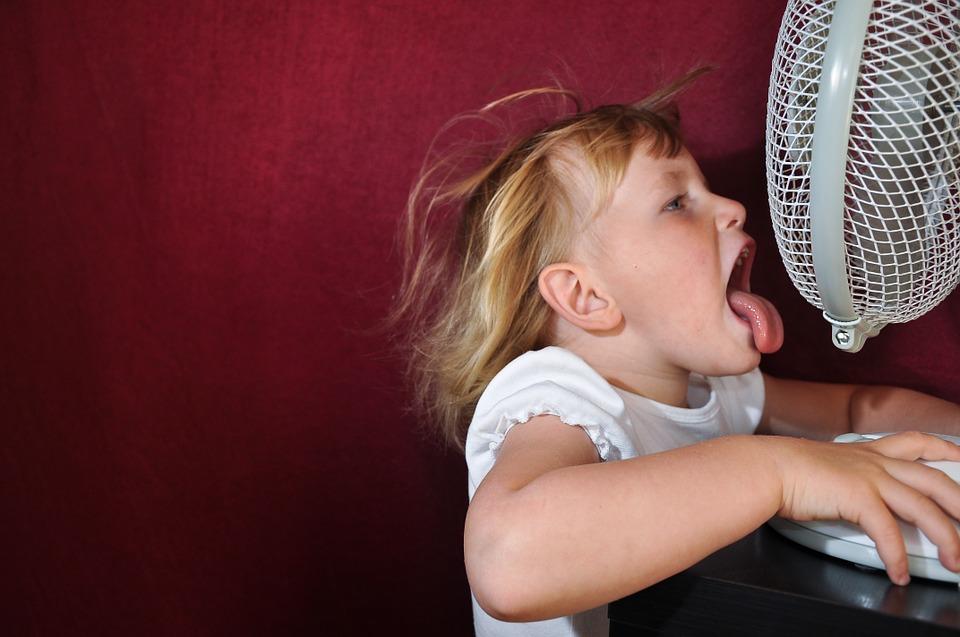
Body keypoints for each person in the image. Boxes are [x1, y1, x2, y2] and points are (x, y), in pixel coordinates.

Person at [392, 70, 960, 637]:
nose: (734, 207)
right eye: (676, 203)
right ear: (585, 296)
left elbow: (863, 409)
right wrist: (780, 471)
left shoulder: (713, 392)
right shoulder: (556, 396)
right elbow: (508, 562)